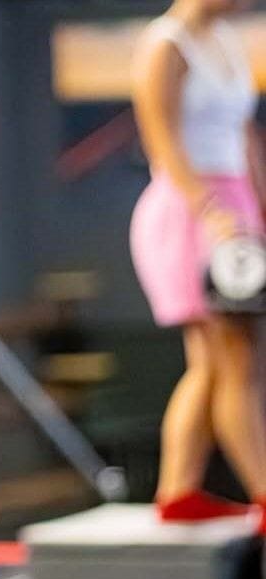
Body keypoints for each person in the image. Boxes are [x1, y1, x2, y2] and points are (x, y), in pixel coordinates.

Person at [129, 0, 266, 528]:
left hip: (236, 210)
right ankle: (262, 489)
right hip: (191, 214)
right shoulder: (165, 45)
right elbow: (162, 142)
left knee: (214, 363)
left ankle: (178, 490)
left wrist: (255, 210)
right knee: (234, 357)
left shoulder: (228, 41)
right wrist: (211, 214)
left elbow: (245, 138)